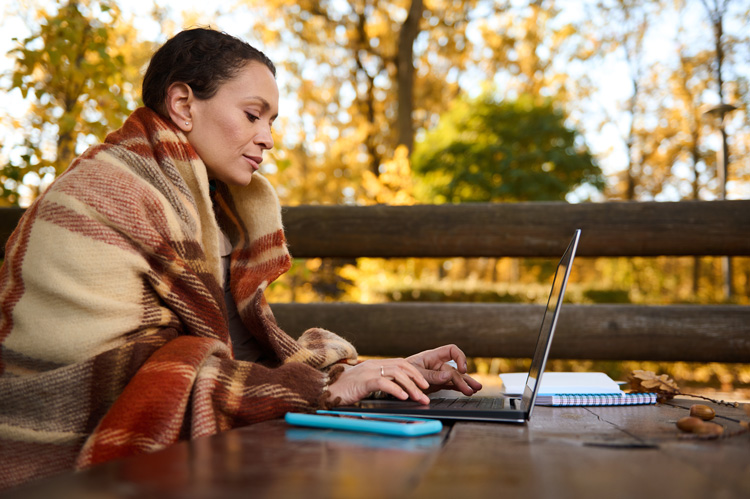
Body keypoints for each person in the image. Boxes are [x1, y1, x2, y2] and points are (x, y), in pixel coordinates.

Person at [0, 27, 481, 490]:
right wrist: (321, 391)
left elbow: (237, 356)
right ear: (184, 104)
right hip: (53, 462)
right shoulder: (104, 196)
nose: (268, 138)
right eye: (254, 115)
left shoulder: (208, 206)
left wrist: (364, 376)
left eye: (271, 121)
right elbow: (128, 379)